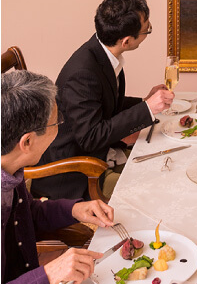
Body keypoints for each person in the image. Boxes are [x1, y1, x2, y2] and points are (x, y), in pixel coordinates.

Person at [32, 0, 174, 200]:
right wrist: (147, 109)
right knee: (160, 186)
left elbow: (102, 102)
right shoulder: (82, 73)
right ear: (126, 41)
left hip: (102, 155)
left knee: (167, 162)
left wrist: (144, 102)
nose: (148, 31)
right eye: (147, 30)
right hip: (77, 175)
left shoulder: (101, 52)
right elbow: (91, 137)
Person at [1, 70, 115, 284]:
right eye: (56, 122)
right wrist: (49, 274)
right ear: (27, 142)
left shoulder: (10, 168)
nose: (60, 126)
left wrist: (73, 209)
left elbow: (25, 215)